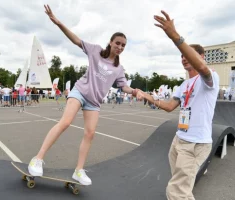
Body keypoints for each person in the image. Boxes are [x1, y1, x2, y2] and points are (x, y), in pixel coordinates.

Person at [27, 4, 143, 186]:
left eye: (123, 45)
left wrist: (135, 91)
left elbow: (124, 87)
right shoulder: (95, 50)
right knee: (65, 122)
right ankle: (38, 158)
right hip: (80, 92)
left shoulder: (118, 68)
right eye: (118, 43)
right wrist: (58, 23)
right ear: (111, 42)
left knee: (90, 133)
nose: (120, 47)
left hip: (94, 102)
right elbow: (76, 40)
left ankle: (78, 171)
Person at [141, 11, 220, 199]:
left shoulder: (210, 78)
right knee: (181, 187)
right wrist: (147, 96)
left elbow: (202, 68)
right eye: (181, 56)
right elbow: (169, 106)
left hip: (195, 143)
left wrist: (175, 37)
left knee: (175, 191)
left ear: (201, 56)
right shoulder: (184, 84)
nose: (183, 58)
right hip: (179, 139)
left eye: (187, 54)